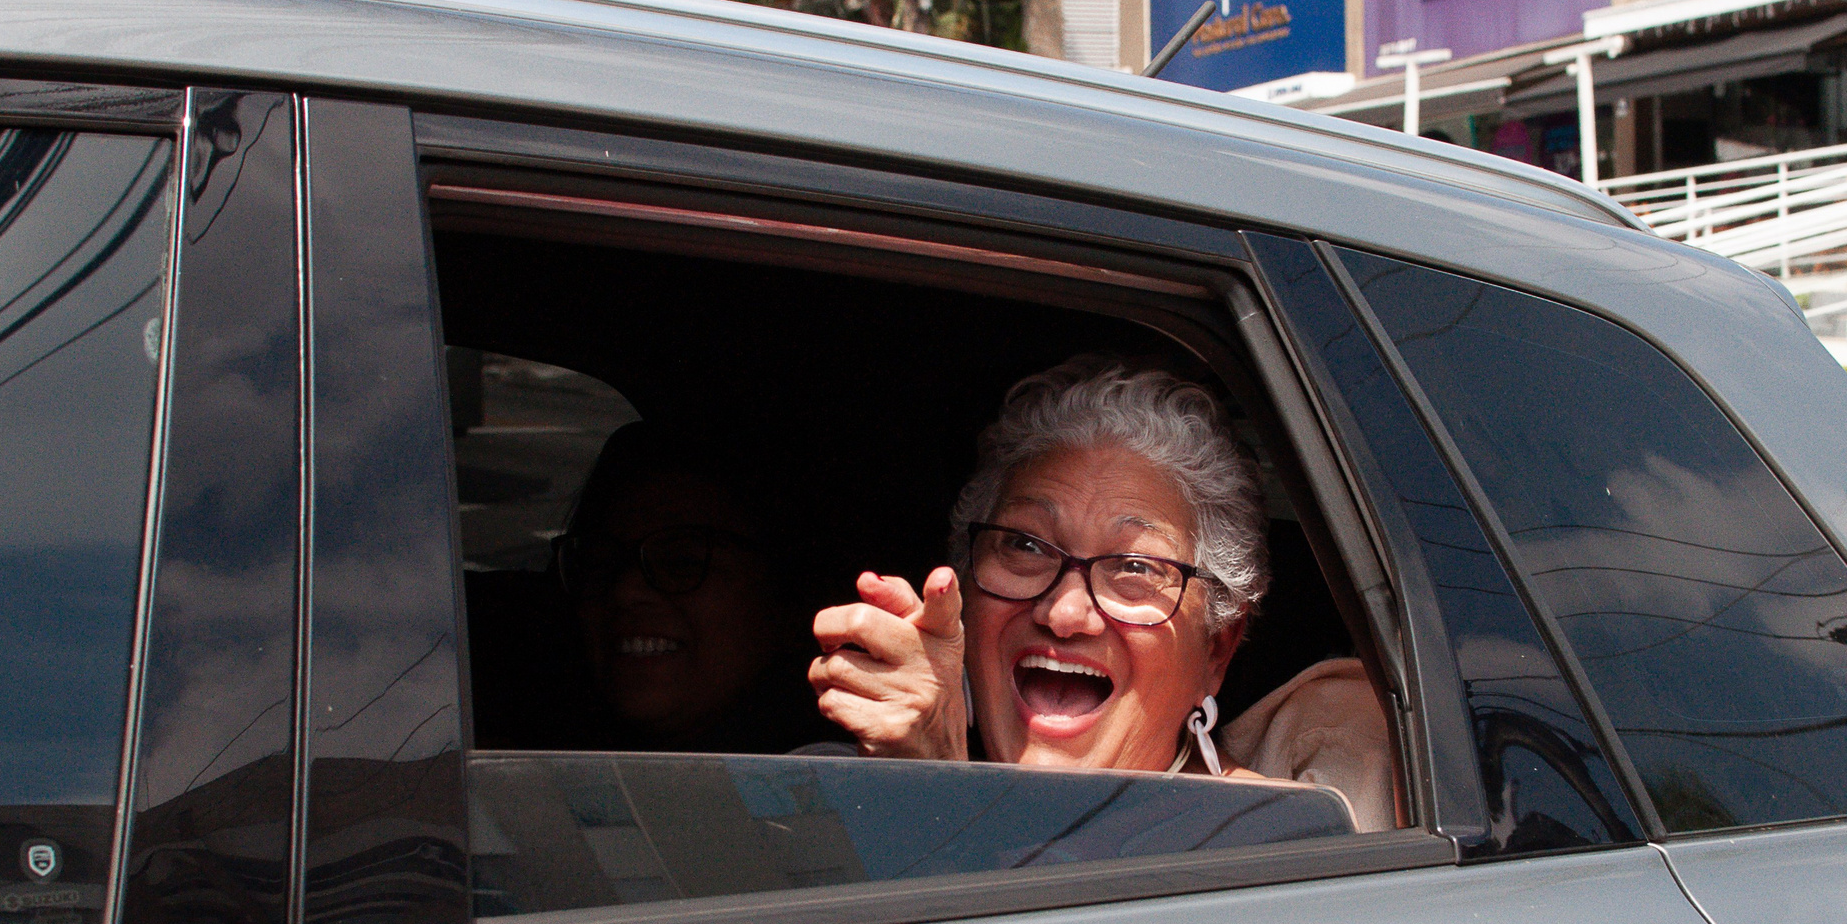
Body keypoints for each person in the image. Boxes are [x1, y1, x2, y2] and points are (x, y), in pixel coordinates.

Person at [807, 358, 1397, 826]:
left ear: (1216, 649)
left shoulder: (1277, 846)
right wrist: (908, 784)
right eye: (1025, 546)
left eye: (1135, 567)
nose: (1064, 613)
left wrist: (938, 794)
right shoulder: (825, 793)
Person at [518, 425, 825, 753]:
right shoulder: (518, 753)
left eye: (682, 564)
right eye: (600, 563)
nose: (624, 591)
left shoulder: (837, 773)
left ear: (785, 599)